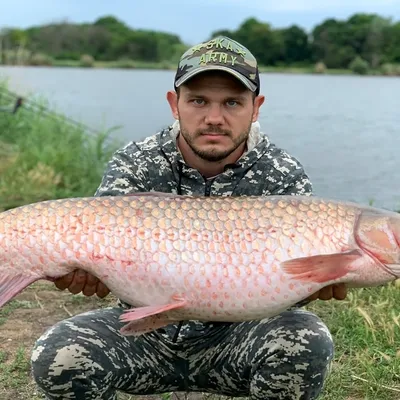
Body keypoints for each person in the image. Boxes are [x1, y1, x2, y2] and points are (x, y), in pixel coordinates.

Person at [31, 36, 347, 400]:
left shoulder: (283, 175)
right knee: (59, 355)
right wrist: (87, 272)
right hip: (144, 333)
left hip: (236, 337)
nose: (214, 118)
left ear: (256, 107)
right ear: (174, 103)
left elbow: (286, 285)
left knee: (306, 340)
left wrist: (315, 284)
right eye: (198, 101)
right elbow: (101, 263)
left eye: (232, 102)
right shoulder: (135, 163)